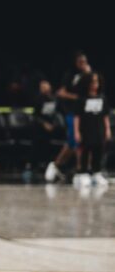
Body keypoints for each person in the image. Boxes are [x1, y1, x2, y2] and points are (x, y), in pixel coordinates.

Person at [45, 51, 91, 182]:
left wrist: (88, 73)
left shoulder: (88, 75)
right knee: (74, 140)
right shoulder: (70, 75)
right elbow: (60, 92)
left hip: (85, 113)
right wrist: (76, 97)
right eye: (80, 62)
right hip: (72, 112)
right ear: (76, 63)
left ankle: (77, 168)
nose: (83, 64)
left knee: (79, 142)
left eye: (85, 62)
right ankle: (61, 165)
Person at [73, 72, 111, 187]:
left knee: (98, 150)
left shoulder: (102, 98)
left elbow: (105, 115)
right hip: (86, 129)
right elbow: (77, 116)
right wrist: (76, 131)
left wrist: (107, 129)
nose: (95, 84)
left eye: (97, 82)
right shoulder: (82, 99)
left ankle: (96, 173)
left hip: (98, 128)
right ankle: (83, 173)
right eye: (93, 82)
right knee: (85, 150)